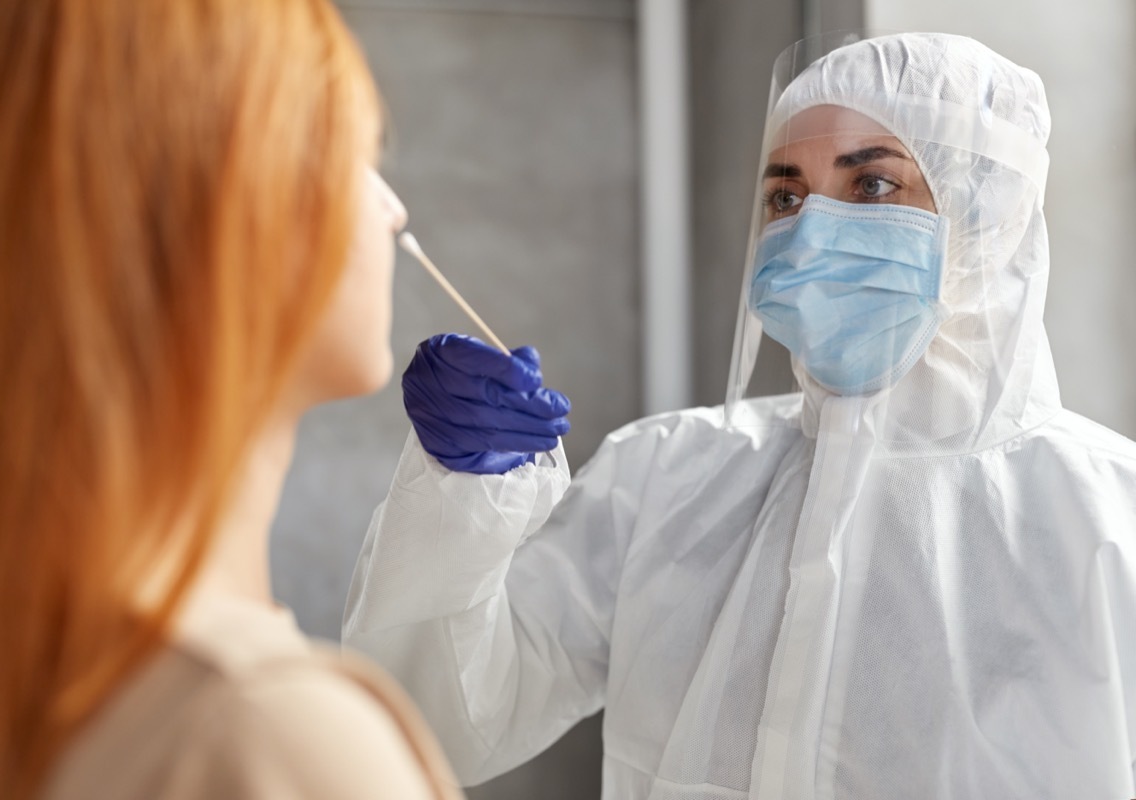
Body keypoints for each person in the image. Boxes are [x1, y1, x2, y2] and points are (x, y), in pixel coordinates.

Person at [343, 32, 1136, 798]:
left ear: (985, 214)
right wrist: (462, 495)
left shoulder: (1107, 521)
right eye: (786, 195)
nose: (812, 231)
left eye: (872, 186)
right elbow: (444, 721)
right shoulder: (666, 477)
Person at [0, 2, 464, 799]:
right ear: (233, 208)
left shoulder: (6, 663)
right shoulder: (267, 739)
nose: (393, 210)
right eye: (358, 150)